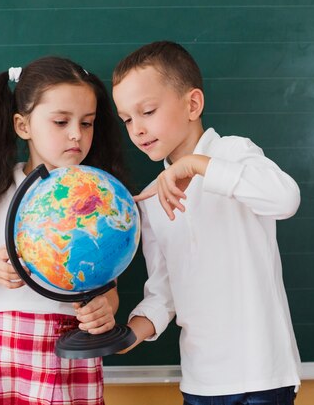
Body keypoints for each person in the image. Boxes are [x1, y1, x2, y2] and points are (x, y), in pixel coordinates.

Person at [0, 56, 129, 405]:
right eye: (61, 121)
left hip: (69, 354)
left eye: (88, 123)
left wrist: (105, 308)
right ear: (23, 125)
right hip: (2, 354)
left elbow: (108, 288)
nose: (77, 134)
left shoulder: (100, 198)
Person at [111, 41, 301, 404]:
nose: (136, 129)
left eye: (147, 111)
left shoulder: (233, 152)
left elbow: (285, 199)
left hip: (261, 374)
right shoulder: (153, 196)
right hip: (200, 381)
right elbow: (165, 291)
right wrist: (128, 334)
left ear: (192, 104)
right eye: (127, 120)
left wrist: (198, 166)